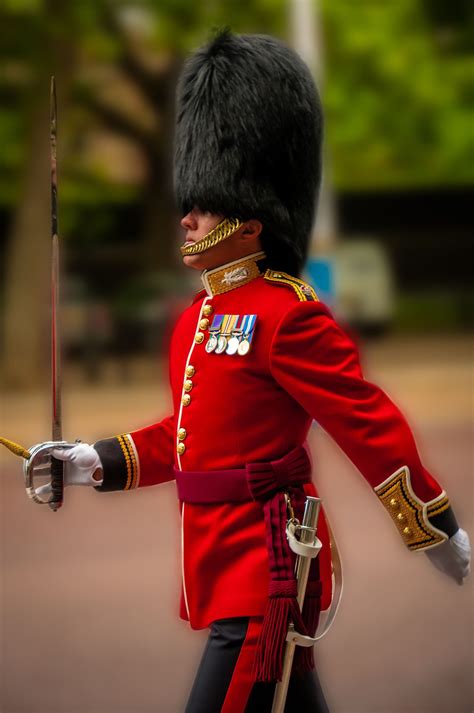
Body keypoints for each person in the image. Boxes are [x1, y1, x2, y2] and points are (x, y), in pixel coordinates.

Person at [33, 31, 470, 713]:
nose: (187, 215)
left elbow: (364, 419)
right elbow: (187, 436)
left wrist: (432, 525)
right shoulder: (193, 321)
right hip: (217, 565)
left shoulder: (287, 315)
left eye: (203, 202)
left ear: (252, 216)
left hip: (266, 571)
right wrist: (93, 460)